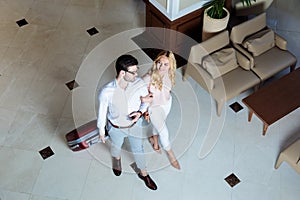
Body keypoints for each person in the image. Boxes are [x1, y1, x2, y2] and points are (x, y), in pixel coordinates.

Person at [97, 54, 157, 190]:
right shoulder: (106, 92)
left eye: (137, 71)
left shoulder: (139, 84)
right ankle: (117, 160)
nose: (137, 75)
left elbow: (145, 102)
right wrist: (101, 130)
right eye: (133, 72)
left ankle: (144, 173)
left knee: (139, 150)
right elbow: (102, 112)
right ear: (122, 73)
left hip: (134, 125)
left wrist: (140, 112)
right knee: (116, 147)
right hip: (115, 128)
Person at [141, 50, 181, 170]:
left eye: (166, 64)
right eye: (159, 63)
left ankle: (155, 141)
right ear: (156, 62)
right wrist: (145, 110)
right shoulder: (147, 78)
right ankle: (171, 155)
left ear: (171, 65)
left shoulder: (170, 73)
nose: (161, 67)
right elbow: (139, 96)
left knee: (159, 125)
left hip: (167, 103)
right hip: (154, 108)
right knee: (164, 131)